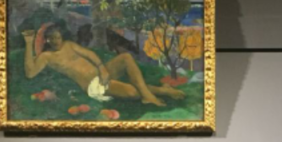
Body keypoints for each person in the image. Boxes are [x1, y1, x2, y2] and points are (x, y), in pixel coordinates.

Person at [21, 24, 186, 108]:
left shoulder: (69, 45)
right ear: (47, 40)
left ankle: (148, 95)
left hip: (101, 73)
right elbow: (29, 73)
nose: (56, 41)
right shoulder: (46, 56)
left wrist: (102, 69)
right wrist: (29, 43)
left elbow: (90, 54)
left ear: (61, 37)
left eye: (58, 37)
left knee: (126, 57)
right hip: (93, 85)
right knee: (130, 91)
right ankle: (162, 91)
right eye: (52, 38)